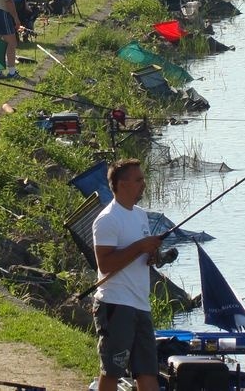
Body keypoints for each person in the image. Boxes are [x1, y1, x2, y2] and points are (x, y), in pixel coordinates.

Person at [92, 158, 165, 391]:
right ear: (122, 184)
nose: (144, 184)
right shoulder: (107, 219)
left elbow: (140, 255)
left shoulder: (140, 215)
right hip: (115, 304)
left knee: (147, 372)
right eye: (138, 180)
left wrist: (151, 255)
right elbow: (105, 264)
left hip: (141, 305)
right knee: (112, 371)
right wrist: (140, 246)